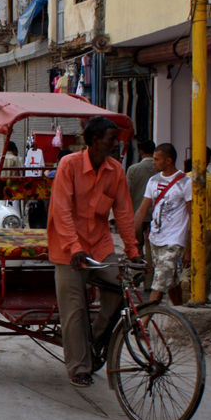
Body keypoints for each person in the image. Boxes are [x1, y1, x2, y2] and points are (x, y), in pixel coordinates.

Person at [47, 116, 141, 388]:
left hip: (100, 246)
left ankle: (95, 340)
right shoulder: (70, 165)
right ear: (95, 141)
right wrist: (75, 247)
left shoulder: (116, 170)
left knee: (121, 289)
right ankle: (79, 366)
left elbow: (123, 212)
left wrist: (133, 251)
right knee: (74, 310)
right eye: (112, 139)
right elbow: (61, 210)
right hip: (68, 249)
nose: (117, 144)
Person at [133, 143, 191, 306]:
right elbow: (143, 209)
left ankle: (144, 322)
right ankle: (180, 311)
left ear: (169, 161)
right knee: (170, 281)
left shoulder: (185, 182)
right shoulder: (153, 180)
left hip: (174, 239)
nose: (154, 162)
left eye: (157, 159)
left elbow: (192, 215)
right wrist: (131, 236)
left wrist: (189, 247)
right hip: (156, 238)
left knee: (159, 282)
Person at [184, 147, 211, 301]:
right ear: (208, 160)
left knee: (186, 263)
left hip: (187, 228)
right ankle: (201, 295)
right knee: (207, 265)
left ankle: (188, 293)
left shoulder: (184, 179)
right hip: (209, 227)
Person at [126, 139, 157, 285]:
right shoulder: (160, 169)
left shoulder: (133, 169)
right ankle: (150, 281)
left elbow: (126, 193)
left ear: (140, 151)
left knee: (136, 246)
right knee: (152, 249)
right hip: (155, 216)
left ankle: (137, 274)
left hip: (136, 214)